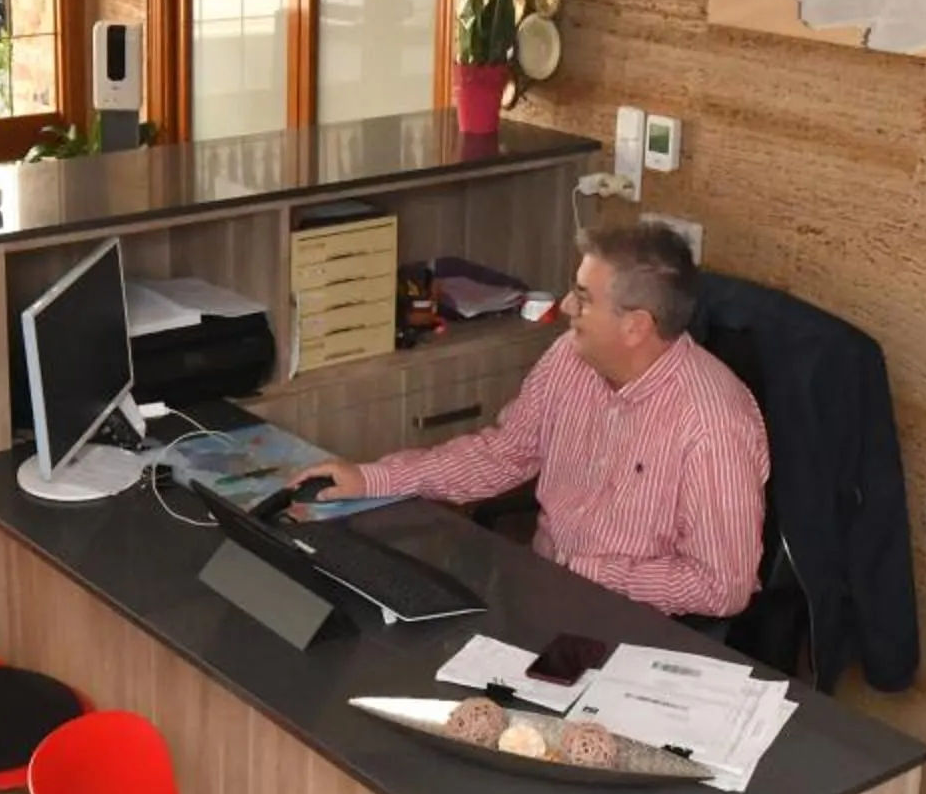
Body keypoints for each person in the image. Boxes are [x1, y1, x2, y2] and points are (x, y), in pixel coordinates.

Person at [309, 223, 770, 620]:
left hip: (641, 627)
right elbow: (502, 455)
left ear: (636, 327)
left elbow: (721, 586)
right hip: (544, 594)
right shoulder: (570, 358)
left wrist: (591, 570)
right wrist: (373, 478)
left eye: (584, 299)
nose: (567, 306)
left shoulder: (714, 426)